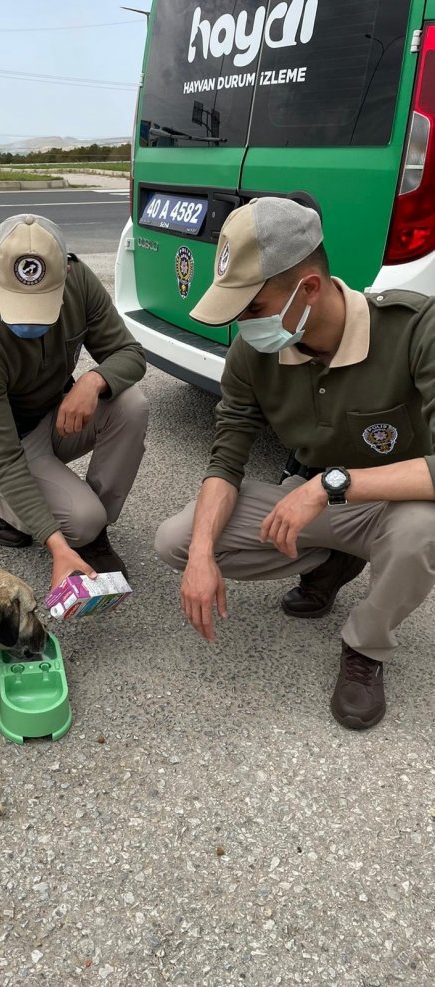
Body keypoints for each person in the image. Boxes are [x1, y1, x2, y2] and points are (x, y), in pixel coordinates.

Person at [154, 197, 435, 730]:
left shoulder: (414, 328)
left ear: (307, 288)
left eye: (253, 309)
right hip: (315, 499)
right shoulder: (251, 353)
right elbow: (227, 456)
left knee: (423, 529)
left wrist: (329, 485)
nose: (242, 325)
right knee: (180, 540)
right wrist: (201, 558)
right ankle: (335, 560)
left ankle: (365, 648)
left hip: (387, 505)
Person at [0, 213, 148, 589]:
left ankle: (93, 534)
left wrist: (94, 380)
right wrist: (57, 547)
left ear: (66, 274)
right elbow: (5, 457)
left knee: (131, 405)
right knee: (79, 520)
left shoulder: (81, 281)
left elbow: (130, 354)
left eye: (44, 304)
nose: (31, 322)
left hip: (50, 415)